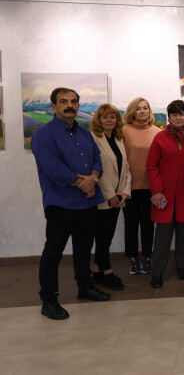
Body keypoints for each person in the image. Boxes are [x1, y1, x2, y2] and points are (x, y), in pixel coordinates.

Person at [31, 87, 110, 320]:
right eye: (64, 101)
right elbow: (53, 168)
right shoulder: (43, 135)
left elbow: (97, 160)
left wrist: (93, 178)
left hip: (87, 203)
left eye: (74, 101)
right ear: (53, 106)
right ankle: (48, 299)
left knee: (83, 249)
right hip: (60, 203)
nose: (70, 105)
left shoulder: (85, 133)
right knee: (53, 253)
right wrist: (84, 183)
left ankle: (84, 287)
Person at [147, 100, 184, 288]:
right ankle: (157, 273)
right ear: (169, 117)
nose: (178, 118)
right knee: (162, 237)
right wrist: (156, 191)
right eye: (174, 115)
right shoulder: (160, 138)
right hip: (164, 196)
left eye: (181, 114)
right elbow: (151, 165)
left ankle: (181, 267)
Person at [90, 104, 131, 291]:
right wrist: (111, 195)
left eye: (112, 117)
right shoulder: (94, 139)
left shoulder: (118, 139)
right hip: (103, 197)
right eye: (105, 117)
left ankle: (97, 271)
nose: (109, 120)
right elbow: (97, 171)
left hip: (118, 196)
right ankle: (107, 273)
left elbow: (126, 168)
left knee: (106, 235)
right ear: (98, 119)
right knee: (103, 237)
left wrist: (124, 192)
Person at [123, 97, 161, 275]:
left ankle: (147, 257)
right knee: (130, 225)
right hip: (128, 187)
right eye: (138, 108)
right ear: (132, 111)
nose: (143, 111)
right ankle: (132, 259)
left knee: (148, 225)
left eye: (146, 108)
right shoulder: (123, 132)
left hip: (150, 187)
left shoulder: (157, 132)